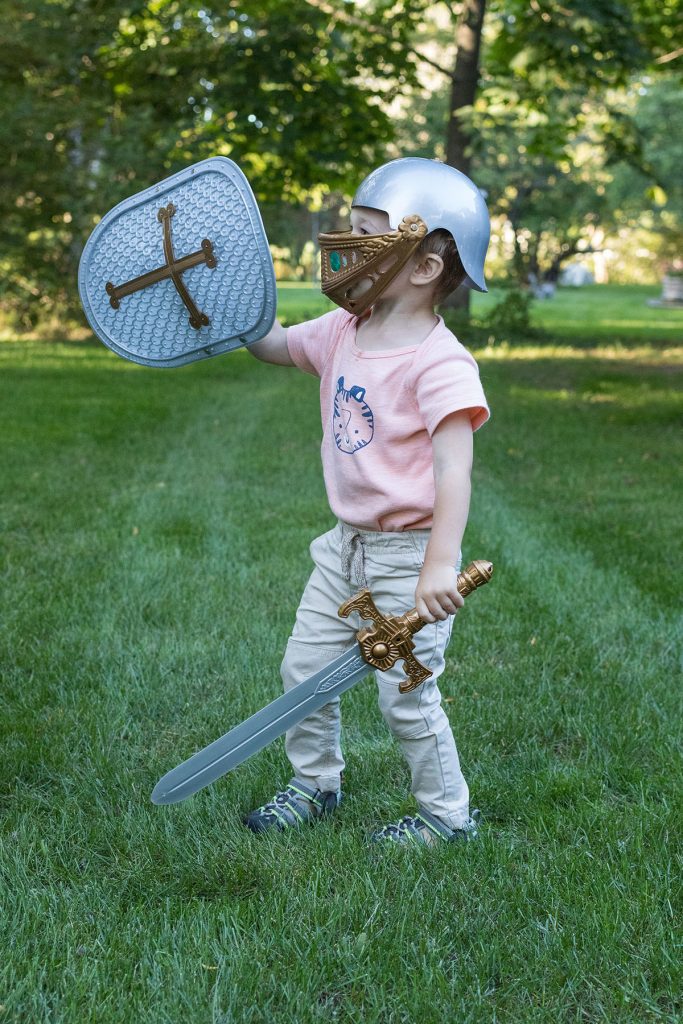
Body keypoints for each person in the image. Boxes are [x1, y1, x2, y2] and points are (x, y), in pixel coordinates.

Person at [244, 158, 491, 845]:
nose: (345, 249)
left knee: (406, 695)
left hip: (408, 555)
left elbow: (453, 470)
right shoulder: (341, 330)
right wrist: (229, 308)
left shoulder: (440, 363)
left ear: (420, 268)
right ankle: (314, 783)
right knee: (303, 670)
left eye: (364, 235)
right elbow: (273, 345)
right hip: (344, 546)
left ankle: (446, 818)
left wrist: (438, 565)